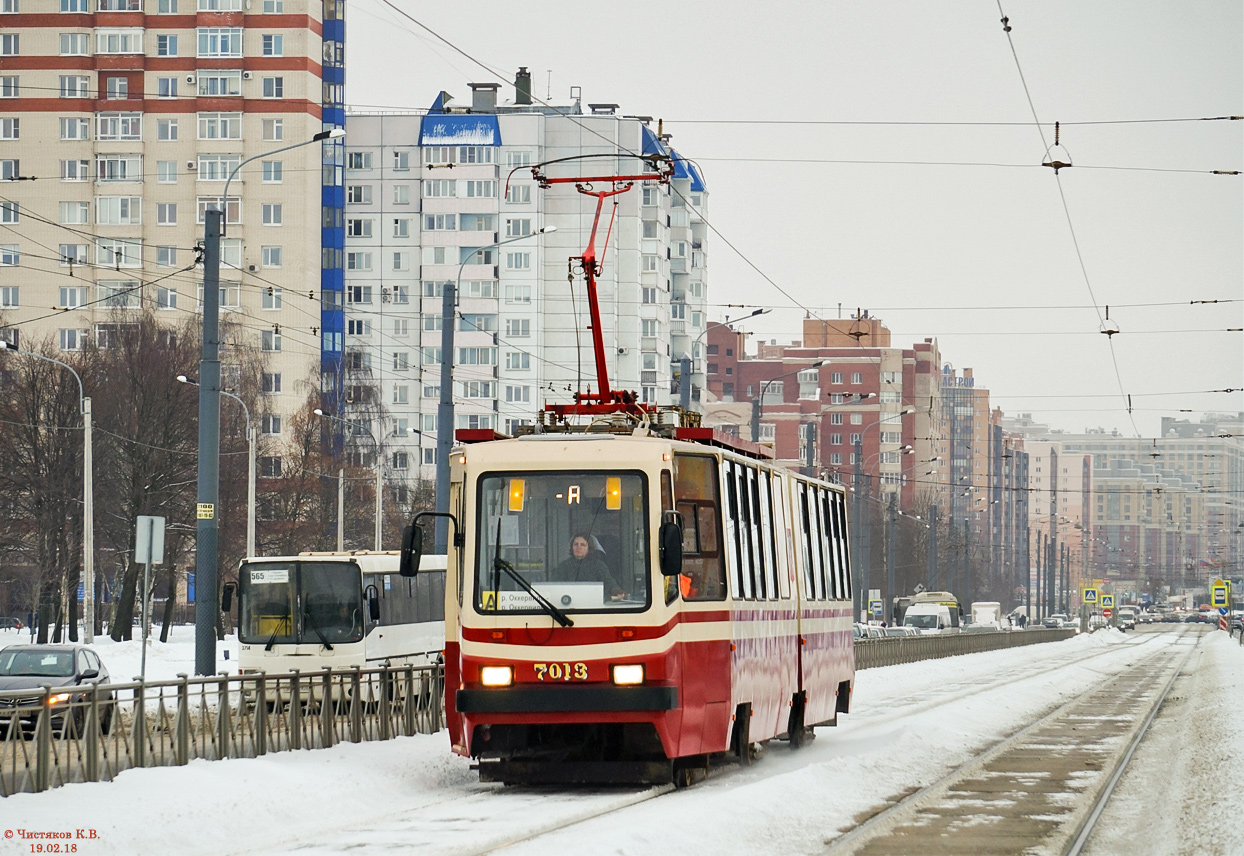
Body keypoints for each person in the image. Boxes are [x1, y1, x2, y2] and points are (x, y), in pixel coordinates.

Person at [551, 534, 625, 599]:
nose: (578, 547)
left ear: (589, 548)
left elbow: (609, 582)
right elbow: (554, 586)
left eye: (583, 545)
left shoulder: (598, 565)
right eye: (576, 544)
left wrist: (617, 592)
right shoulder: (564, 566)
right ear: (572, 547)